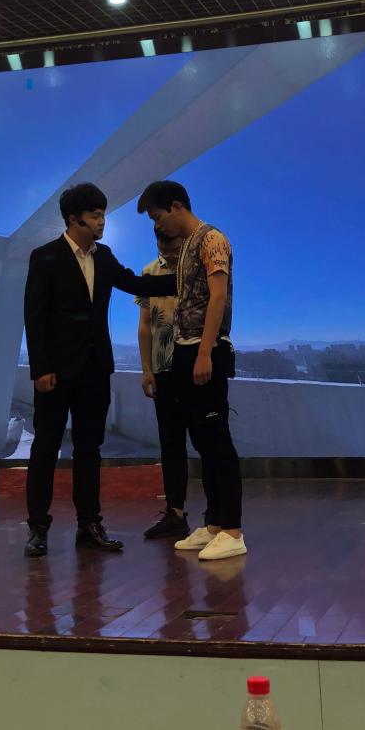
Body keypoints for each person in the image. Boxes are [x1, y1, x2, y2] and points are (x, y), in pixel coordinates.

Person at [23, 182, 176, 559]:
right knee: (45, 449)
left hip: (95, 370)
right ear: (74, 218)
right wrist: (41, 368)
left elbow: (136, 283)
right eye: (95, 216)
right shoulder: (45, 256)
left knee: (89, 449)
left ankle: (89, 526)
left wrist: (184, 278)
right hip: (55, 373)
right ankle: (38, 528)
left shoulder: (104, 256)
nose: (102, 222)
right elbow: (34, 317)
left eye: (103, 215)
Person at [136, 180, 245, 560]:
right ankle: (214, 524)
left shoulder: (212, 239)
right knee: (202, 442)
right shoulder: (186, 249)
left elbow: (218, 296)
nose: (158, 225)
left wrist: (204, 352)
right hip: (184, 351)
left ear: (176, 206)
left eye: (158, 216)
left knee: (217, 442)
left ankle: (232, 530)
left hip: (205, 350)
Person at [136, 228, 190, 541]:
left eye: (175, 249)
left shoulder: (196, 269)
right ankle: (175, 513)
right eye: (163, 248)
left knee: (207, 440)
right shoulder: (149, 272)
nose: (168, 254)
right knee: (170, 443)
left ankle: (218, 518)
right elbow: (145, 326)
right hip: (163, 370)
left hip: (194, 365)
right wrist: (147, 369)